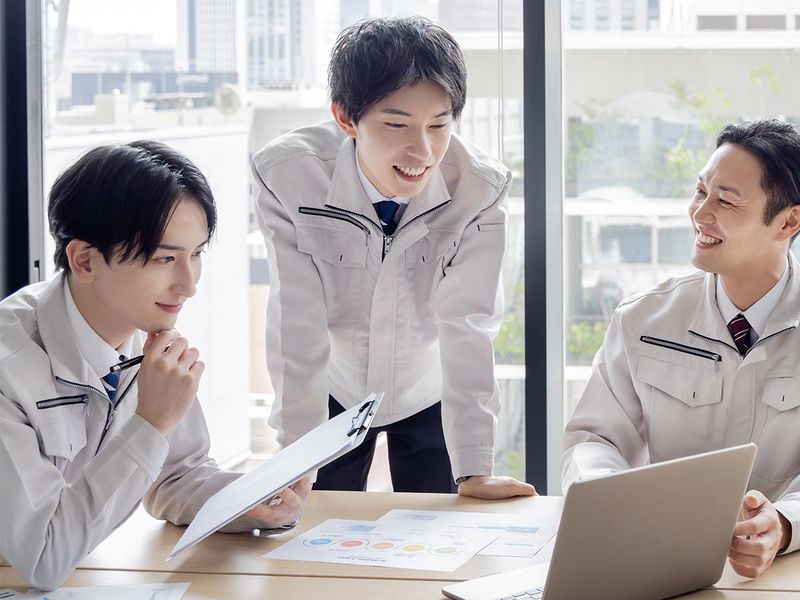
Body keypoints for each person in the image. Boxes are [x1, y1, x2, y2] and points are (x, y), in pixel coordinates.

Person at [0, 141, 311, 590]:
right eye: (165, 258)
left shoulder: (144, 330)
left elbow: (177, 477)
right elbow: (44, 556)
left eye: (196, 254)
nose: (188, 284)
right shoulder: (9, 369)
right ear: (84, 260)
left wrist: (246, 502)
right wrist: (151, 421)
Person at [252, 16, 534, 499]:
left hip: (427, 390)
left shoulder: (480, 189)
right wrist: (296, 454)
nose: (422, 151)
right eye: (397, 124)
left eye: (439, 125)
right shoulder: (288, 175)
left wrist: (475, 466)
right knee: (316, 518)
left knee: (438, 526)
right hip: (333, 387)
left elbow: (468, 324)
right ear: (346, 118)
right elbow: (297, 318)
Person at [562, 119, 800, 578]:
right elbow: (593, 439)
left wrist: (786, 524)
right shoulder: (643, 319)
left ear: (789, 221)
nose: (700, 213)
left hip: (781, 574)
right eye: (701, 191)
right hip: (658, 563)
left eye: (725, 200)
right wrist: (608, 500)